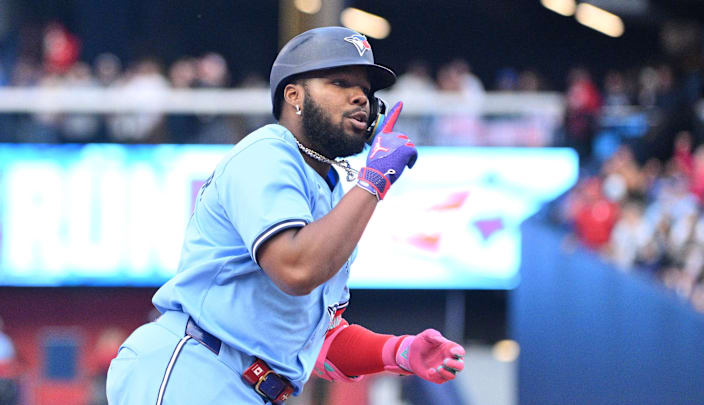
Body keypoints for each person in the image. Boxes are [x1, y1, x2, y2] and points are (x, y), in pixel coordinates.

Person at [106, 26, 465, 405]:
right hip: (197, 367)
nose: (360, 96)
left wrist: (399, 351)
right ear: (293, 95)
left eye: (366, 90)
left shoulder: (331, 191)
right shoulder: (267, 152)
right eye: (340, 82)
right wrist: (372, 182)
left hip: (246, 385)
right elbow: (296, 269)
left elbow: (320, 340)